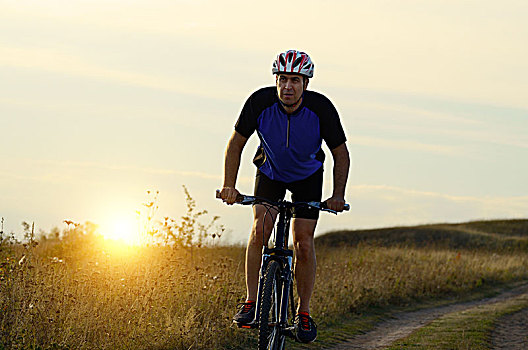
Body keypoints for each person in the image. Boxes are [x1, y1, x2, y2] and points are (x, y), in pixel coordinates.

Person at [220, 49, 349, 343]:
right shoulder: (259, 102)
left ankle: (303, 313)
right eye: (282, 80)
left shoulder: (322, 109)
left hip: (308, 176)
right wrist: (229, 185)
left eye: (295, 80)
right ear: (275, 81)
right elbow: (235, 145)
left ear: (305, 84)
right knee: (259, 230)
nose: (287, 87)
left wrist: (337, 195)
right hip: (271, 173)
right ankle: (252, 302)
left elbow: (341, 154)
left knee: (303, 242)